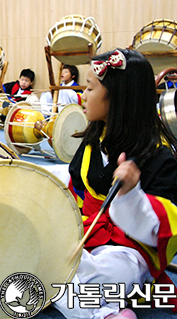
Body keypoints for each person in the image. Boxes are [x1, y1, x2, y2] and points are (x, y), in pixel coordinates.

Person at [52, 49, 177, 319]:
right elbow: (76, 187)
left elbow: (160, 232)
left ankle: (103, 314)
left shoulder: (159, 155)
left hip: (129, 248)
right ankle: (112, 306)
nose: (82, 96)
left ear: (117, 98)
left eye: (89, 88)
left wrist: (132, 196)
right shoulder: (93, 139)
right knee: (41, 256)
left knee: (99, 274)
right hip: (90, 231)